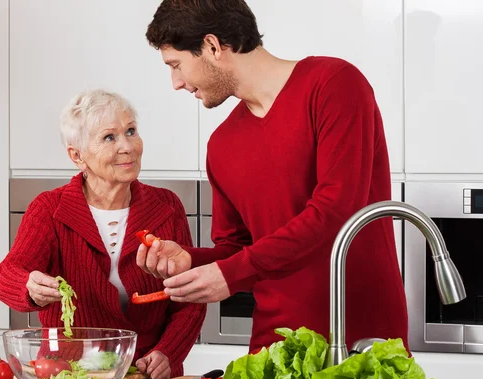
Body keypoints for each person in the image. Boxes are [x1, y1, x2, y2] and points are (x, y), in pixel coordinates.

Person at [136, 0, 409, 354]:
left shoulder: (333, 85)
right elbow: (236, 250)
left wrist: (231, 272)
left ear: (213, 47)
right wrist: (191, 260)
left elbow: (336, 210)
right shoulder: (222, 145)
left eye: (176, 65)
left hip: (361, 337)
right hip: (275, 347)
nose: (176, 83)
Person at [0, 89, 206, 379]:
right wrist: (28, 286)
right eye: (110, 137)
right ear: (77, 156)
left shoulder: (167, 206)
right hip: (68, 377)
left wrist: (168, 352)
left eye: (131, 131)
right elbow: (8, 273)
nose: (127, 146)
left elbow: (190, 298)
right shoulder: (49, 209)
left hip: (148, 377)